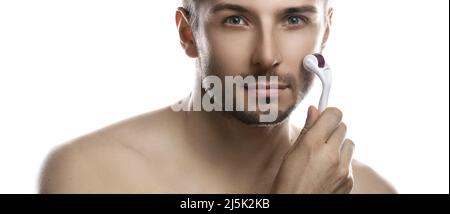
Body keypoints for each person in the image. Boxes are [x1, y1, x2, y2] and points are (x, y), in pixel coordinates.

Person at [40, 0, 396, 194]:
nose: (266, 55)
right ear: (188, 34)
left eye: (294, 19)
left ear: (326, 32)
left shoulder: (372, 191)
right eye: (236, 20)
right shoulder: (89, 175)